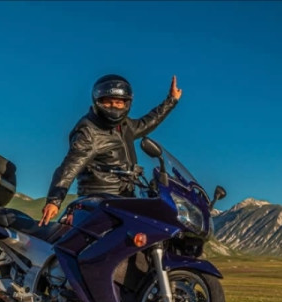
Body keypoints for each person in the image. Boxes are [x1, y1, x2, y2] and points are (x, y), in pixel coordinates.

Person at [39, 73, 182, 226]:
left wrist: (171, 100)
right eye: (108, 102)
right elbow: (70, 166)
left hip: (126, 197)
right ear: (98, 101)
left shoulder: (126, 126)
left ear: (126, 103)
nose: (114, 107)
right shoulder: (89, 131)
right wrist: (55, 200)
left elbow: (148, 122)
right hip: (99, 202)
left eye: (118, 103)